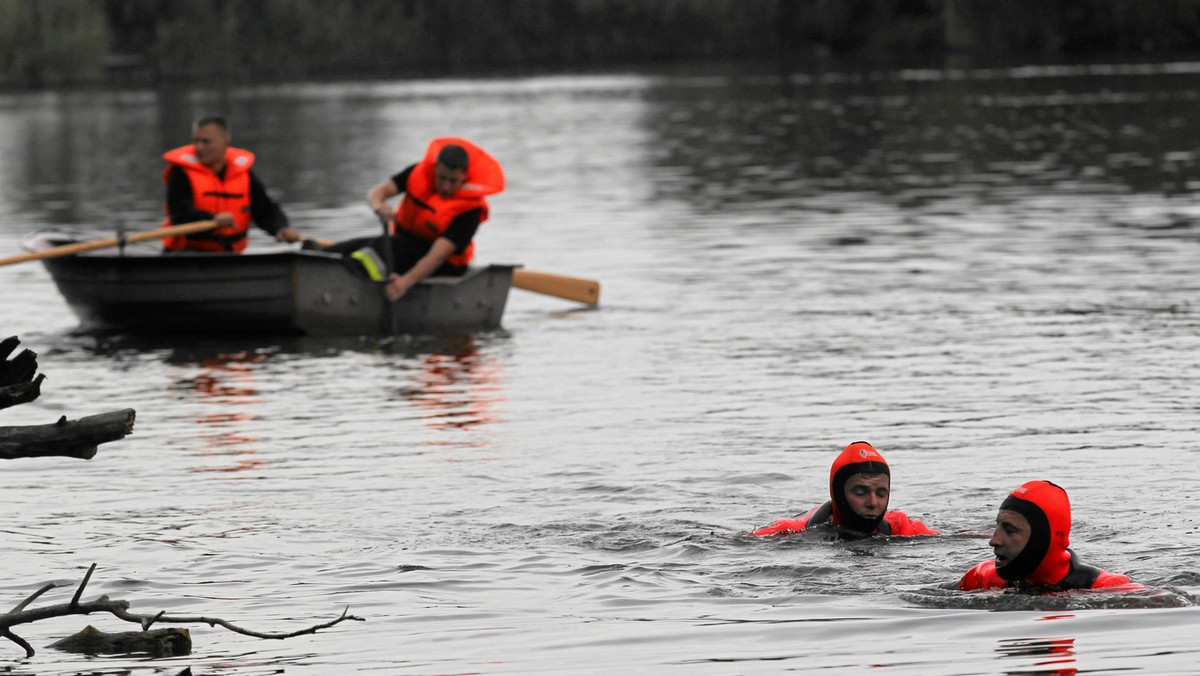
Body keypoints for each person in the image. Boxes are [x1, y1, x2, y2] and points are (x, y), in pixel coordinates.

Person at [319, 137, 505, 302]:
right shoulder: (418, 172)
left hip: (445, 264)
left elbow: (437, 255)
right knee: (358, 245)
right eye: (442, 178)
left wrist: (404, 283)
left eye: (453, 181)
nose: (446, 187)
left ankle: (341, 284)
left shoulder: (470, 209)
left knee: (378, 252)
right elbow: (378, 192)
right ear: (435, 168)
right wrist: (379, 206)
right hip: (407, 245)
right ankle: (318, 256)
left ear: (464, 177)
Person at [958, 480, 1143, 591]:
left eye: (1010, 529)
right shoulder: (980, 578)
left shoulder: (1108, 588)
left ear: (1045, 538)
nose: (993, 541)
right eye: (997, 526)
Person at [161, 116, 302, 253]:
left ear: (226, 143)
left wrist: (281, 228)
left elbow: (264, 208)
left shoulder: (243, 175)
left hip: (228, 257)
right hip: (185, 255)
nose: (199, 147)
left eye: (206, 142)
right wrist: (212, 219)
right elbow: (179, 213)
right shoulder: (181, 173)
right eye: (196, 141)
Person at [751, 441, 938, 538]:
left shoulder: (901, 525)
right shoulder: (790, 530)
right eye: (860, 492)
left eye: (881, 494)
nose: (873, 503)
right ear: (838, 493)